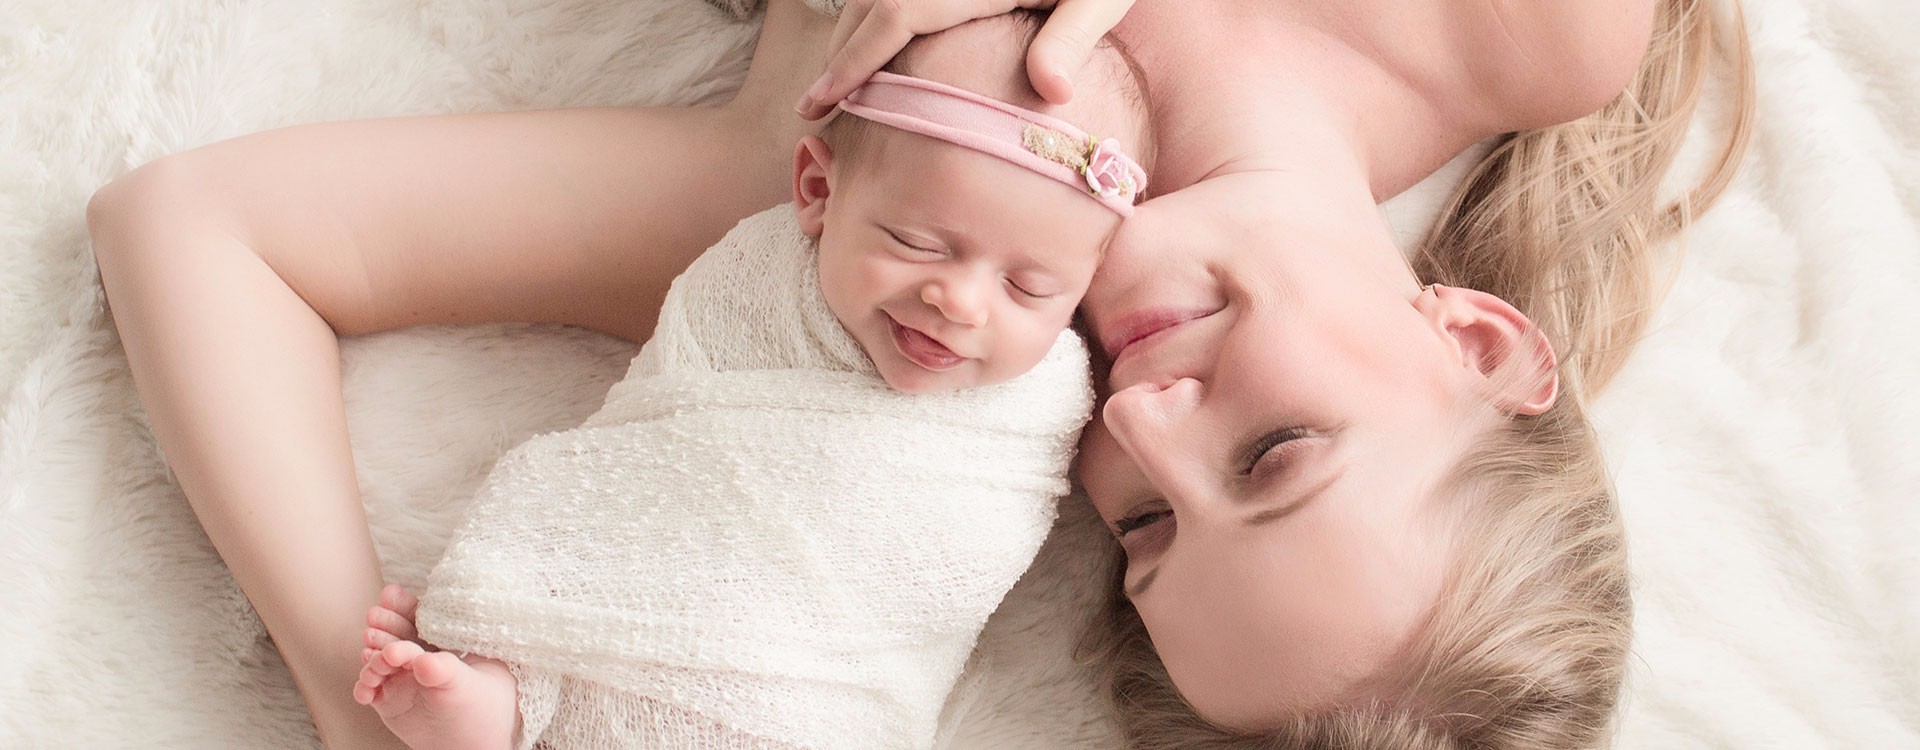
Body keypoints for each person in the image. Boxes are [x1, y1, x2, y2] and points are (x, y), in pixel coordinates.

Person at [84, 0, 1751, 748]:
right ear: (1475, 341)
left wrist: (343, 684)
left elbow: (196, 228)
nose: (1142, 424)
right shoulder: (1527, 31)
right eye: (1277, 453)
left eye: (1151, 534)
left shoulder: (849, 219)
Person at [342, 13, 1152, 750]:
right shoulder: (751, 287)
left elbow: (939, 580)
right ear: (817, 191)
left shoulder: (1035, 410)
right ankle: (502, 703)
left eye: (1030, 289)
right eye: (917, 242)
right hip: (650, 621)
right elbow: (654, 461)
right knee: (537, 659)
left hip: (826, 699)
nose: (960, 302)